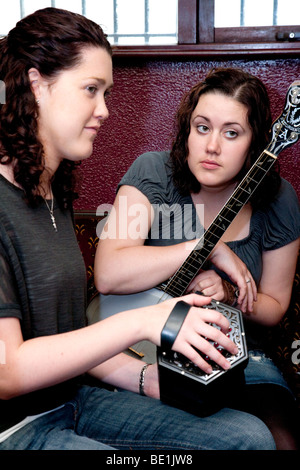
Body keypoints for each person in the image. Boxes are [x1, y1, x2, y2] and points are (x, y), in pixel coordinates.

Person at [0, 8, 277, 451]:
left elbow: (66, 340)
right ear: (37, 85)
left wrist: (150, 379)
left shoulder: (50, 194)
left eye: (106, 92)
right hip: (16, 428)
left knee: (248, 437)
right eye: (91, 89)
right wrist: (147, 321)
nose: (105, 111)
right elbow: (7, 372)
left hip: (73, 400)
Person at [95, 67, 300, 449]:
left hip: (238, 359)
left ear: (255, 143)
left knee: (279, 441)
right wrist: (203, 247)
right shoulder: (152, 172)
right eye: (202, 127)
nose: (212, 147)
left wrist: (227, 292)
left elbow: (274, 307)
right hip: (139, 354)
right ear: (187, 131)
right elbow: (108, 274)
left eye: (232, 133)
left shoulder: (279, 198)